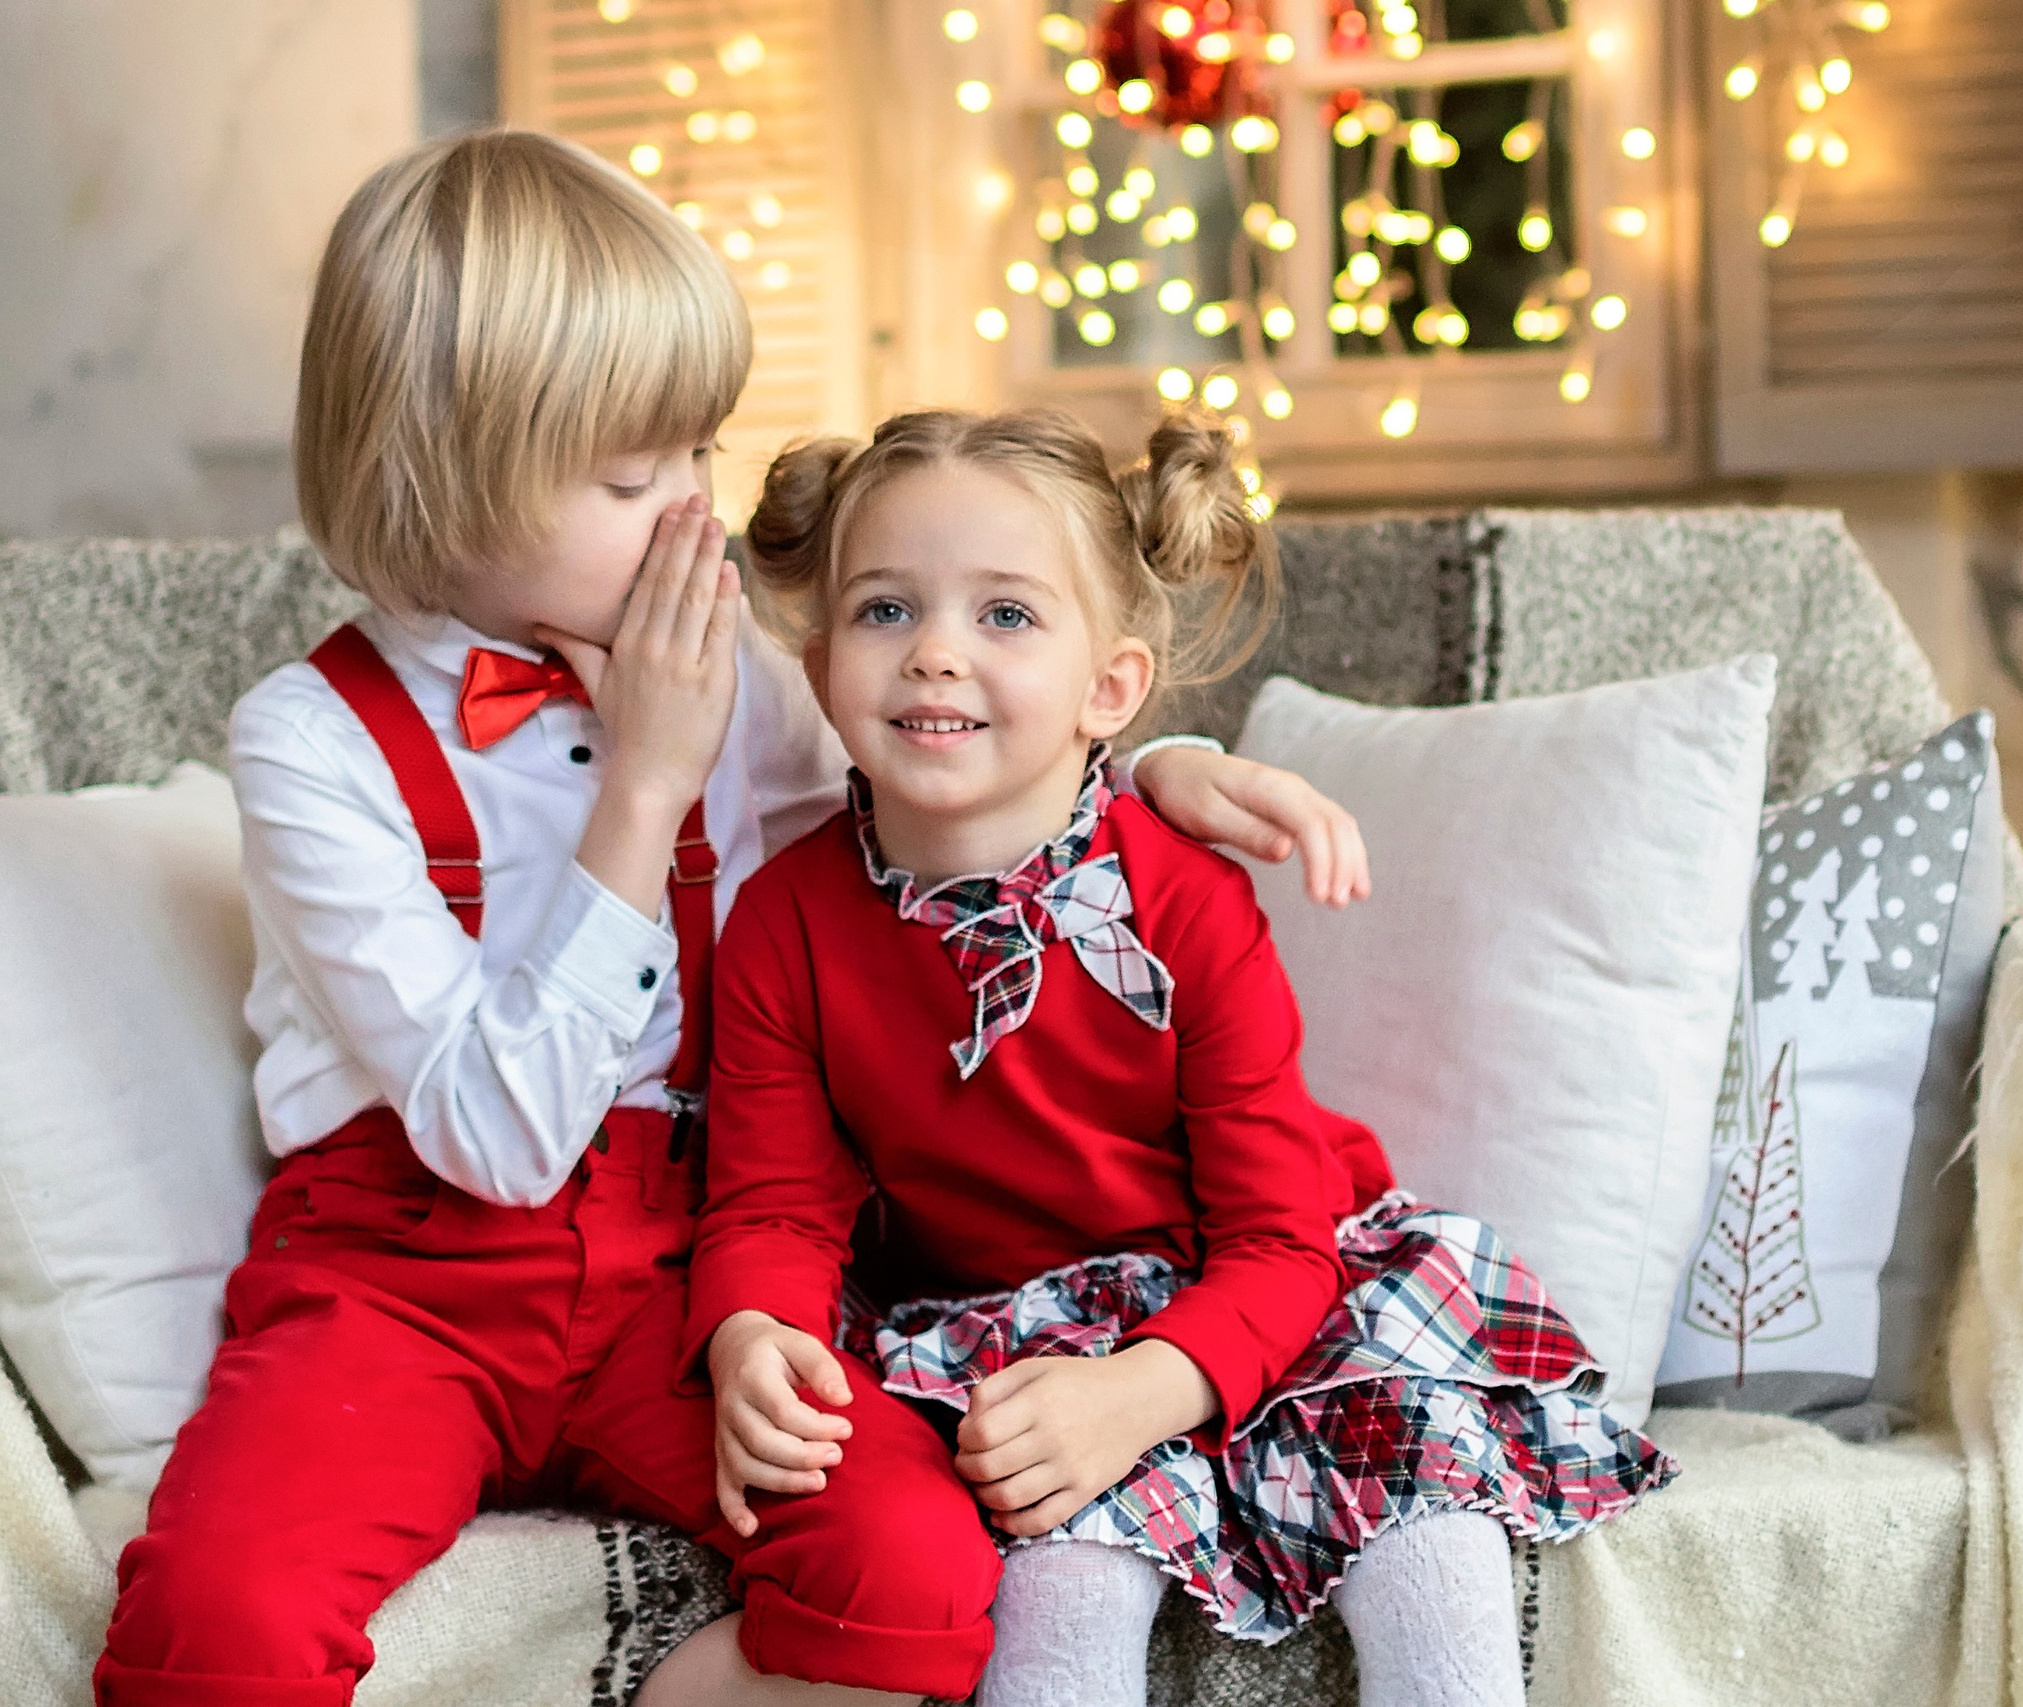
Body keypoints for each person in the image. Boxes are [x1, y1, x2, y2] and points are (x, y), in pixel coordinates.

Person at [94, 130, 1365, 1707]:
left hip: (685, 1253)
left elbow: (955, 771)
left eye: (698, 454)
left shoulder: (747, 675)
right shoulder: (311, 742)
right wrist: (644, 789)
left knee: (917, 1580)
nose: (698, 515)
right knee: (212, 1625)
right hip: (400, 1272)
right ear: (439, 473)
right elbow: (496, 1142)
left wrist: (1156, 758)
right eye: (634, 479)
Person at [692, 406, 1675, 1707]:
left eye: (1004, 616)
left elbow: (1282, 1241)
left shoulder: (1188, 902)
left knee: (1432, 1537)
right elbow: (770, 1200)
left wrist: (1146, 1389)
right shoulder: (782, 920)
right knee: (1058, 1587)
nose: (933, 653)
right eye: (884, 611)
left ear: (1112, 689)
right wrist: (749, 1334)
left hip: (1267, 1290)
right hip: (1006, 1329)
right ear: (820, 669)